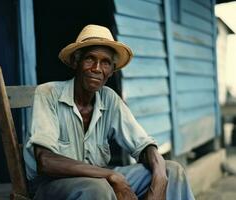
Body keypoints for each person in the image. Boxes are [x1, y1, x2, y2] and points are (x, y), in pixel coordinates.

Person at [24, 24, 195, 200]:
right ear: (76, 62)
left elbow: (144, 145)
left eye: (105, 62)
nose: (97, 68)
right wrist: (110, 176)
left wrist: (159, 178)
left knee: (172, 171)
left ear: (111, 71)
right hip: (52, 186)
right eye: (90, 59)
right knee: (98, 188)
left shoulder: (109, 98)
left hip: (100, 179)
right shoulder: (48, 93)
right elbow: (45, 161)